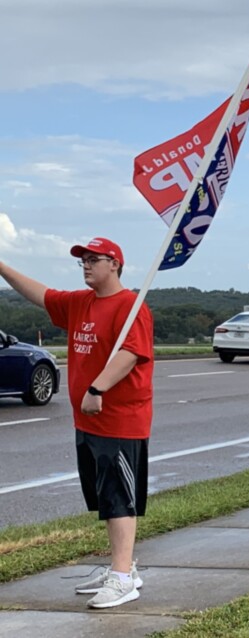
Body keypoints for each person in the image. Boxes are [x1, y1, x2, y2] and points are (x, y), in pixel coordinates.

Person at [1, 238, 154, 609]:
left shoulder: (130, 306)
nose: (85, 265)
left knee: (119, 498)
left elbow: (131, 353)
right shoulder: (80, 303)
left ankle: (121, 579)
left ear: (115, 264)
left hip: (119, 421)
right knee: (105, 497)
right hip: (89, 423)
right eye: (82, 260)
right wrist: (2, 267)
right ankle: (122, 567)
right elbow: (42, 294)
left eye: (93, 260)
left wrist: (97, 387)